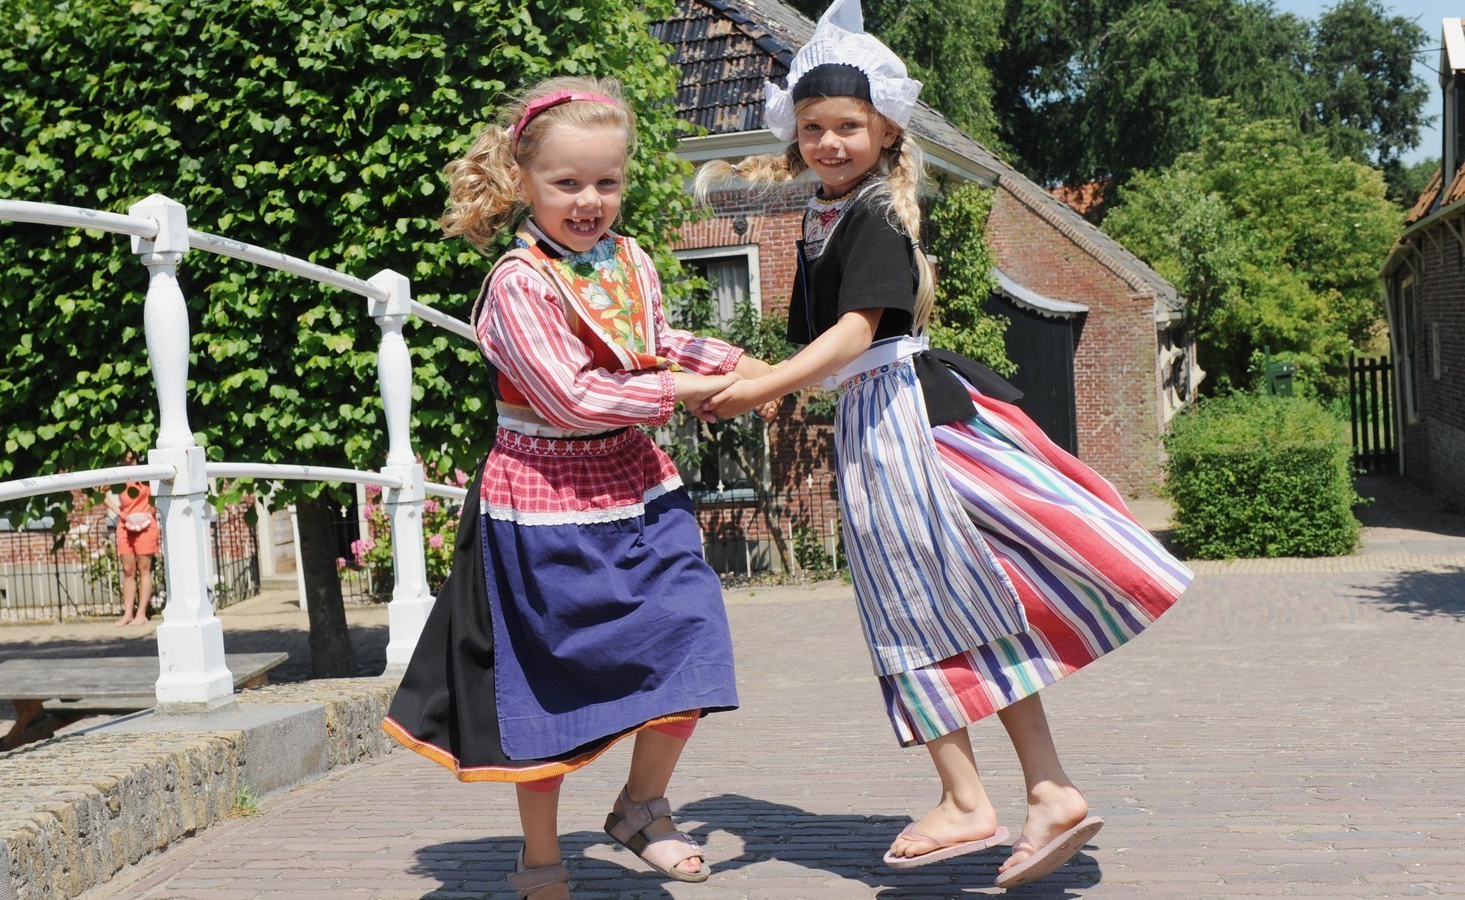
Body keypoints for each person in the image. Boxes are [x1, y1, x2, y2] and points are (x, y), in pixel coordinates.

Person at [698, 0, 1193, 889]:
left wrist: (761, 386)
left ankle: (977, 797)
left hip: (896, 425)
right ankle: (1043, 790)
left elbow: (856, 332)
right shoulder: (825, 216)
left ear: (886, 129)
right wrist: (725, 368)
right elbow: (822, 353)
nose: (829, 142)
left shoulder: (874, 217)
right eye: (813, 128)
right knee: (955, 602)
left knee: (916, 607)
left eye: (847, 126)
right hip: (874, 418)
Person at [382, 75, 772, 899]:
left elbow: (658, 344)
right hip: (543, 502)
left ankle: (642, 806)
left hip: (636, 485)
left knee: (693, 631)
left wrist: (743, 366)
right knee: (544, 682)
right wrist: (694, 392)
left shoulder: (630, 260)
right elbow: (571, 396)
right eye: (568, 183)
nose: (590, 200)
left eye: (608, 182)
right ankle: (540, 855)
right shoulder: (517, 284)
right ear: (524, 179)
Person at [104, 449, 160, 626]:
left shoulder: (146, 475)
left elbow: (158, 495)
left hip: (145, 525)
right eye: (127, 458)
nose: (131, 461)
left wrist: (150, 511)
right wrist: (118, 511)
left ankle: (141, 613)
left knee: (144, 568)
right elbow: (99, 492)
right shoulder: (120, 475)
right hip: (125, 524)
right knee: (128, 570)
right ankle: (127, 613)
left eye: (133, 457)